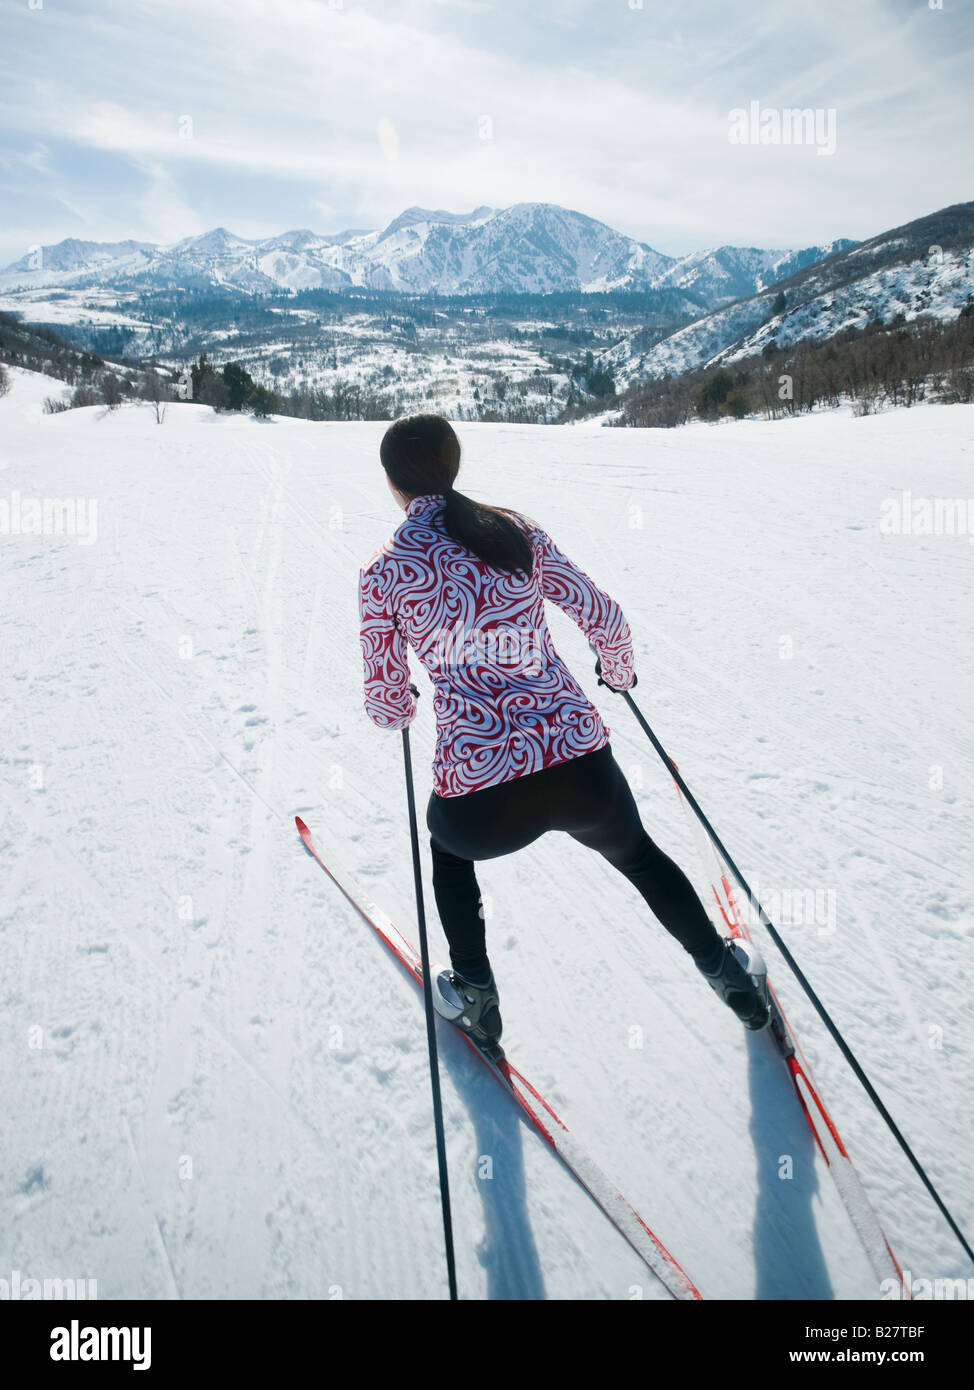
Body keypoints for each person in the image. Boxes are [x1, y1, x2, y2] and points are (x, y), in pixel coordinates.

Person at [358, 414, 769, 1048]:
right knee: (640, 857)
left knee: (447, 850)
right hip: (580, 769)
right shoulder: (513, 533)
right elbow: (603, 614)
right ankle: (728, 976)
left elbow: (386, 706)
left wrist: (408, 699)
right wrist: (618, 670)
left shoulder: (383, 573)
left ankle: (473, 989)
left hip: (481, 800)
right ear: (453, 467)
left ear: (392, 484)